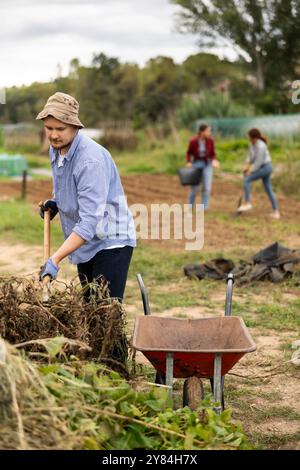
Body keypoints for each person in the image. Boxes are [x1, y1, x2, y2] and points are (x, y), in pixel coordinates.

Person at [37, 92, 136, 303]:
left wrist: (54, 259)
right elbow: (66, 186)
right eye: (49, 128)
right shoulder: (57, 149)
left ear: (75, 127)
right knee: (90, 309)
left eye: (60, 129)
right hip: (85, 244)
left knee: (105, 314)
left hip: (110, 241)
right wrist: (57, 203)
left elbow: (90, 221)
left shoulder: (90, 161)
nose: (53, 135)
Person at [238, 128, 280, 219]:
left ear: (253, 137)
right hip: (261, 167)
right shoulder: (251, 144)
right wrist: (246, 166)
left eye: (248, 136)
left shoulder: (261, 146)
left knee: (247, 180)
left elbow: (258, 162)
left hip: (266, 167)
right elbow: (250, 157)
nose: (247, 137)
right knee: (268, 189)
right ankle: (276, 212)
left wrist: (250, 171)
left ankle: (248, 203)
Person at [186, 124, 220, 210]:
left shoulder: (210, 141)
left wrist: (214, 160)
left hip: (207, 165)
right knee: (194, 188)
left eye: (210, 131)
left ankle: (204, 207)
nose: (209, 133)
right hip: (196, 164)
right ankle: (190, 206)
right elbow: (188, 153)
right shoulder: (193, 141)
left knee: (207, 187)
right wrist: (189, 162)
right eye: (208, 131)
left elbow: (213, 154)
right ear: (202, 132)